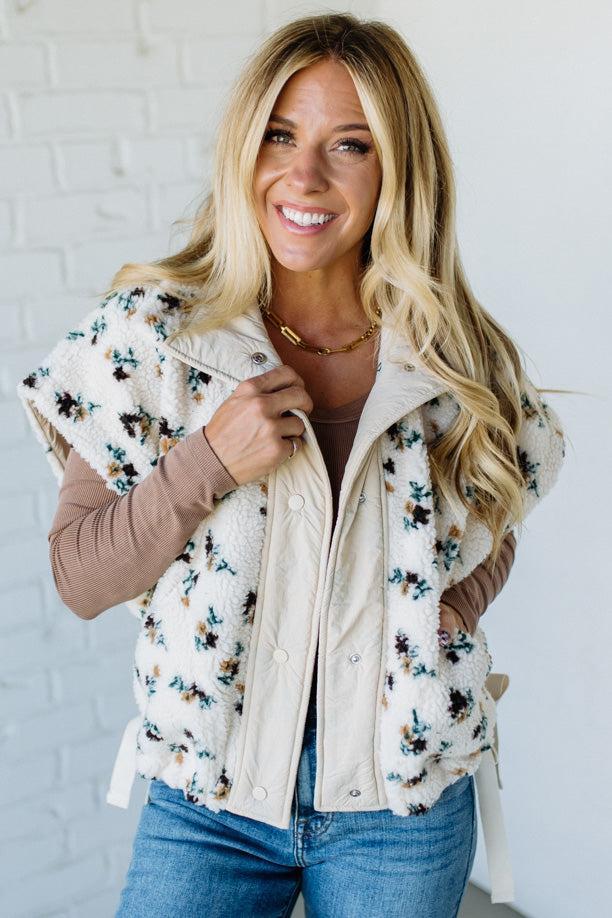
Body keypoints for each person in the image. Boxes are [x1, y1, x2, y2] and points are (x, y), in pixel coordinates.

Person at [16, 13, 565, 918]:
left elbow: (496, 513)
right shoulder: (154, 334)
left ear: (398, 169)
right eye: (281, 135)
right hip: (210, 799)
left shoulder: (450, 354)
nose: (303, 176)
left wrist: (439, 617)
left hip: (402, 801)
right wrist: (206, 464)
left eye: (350, 145)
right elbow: (79, 575)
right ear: (246, 146)